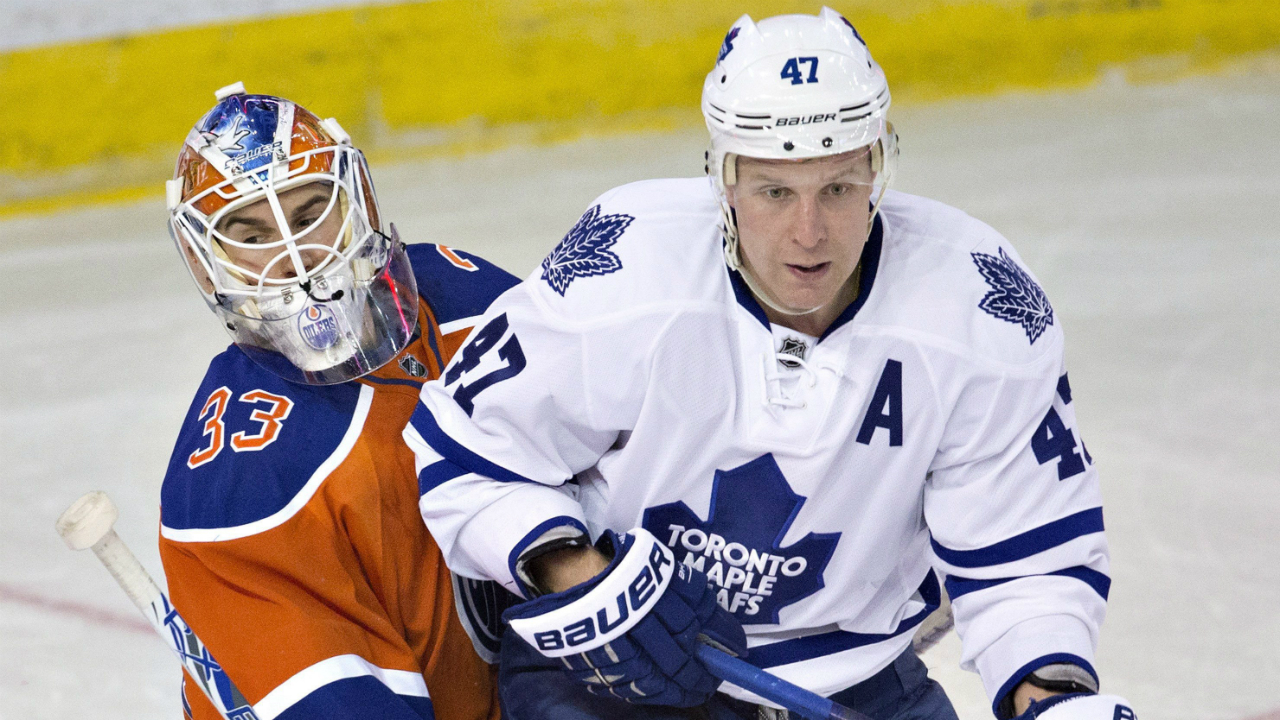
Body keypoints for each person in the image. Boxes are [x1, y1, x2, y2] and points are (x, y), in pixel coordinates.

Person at [406, 8, 1135, 720]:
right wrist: (582, 578)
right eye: (775, 192)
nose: (809, 233)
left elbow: (1026, 558)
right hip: (611, 675)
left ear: (880, 169)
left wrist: (1052, 694)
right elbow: (464, 459)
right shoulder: (624, 272)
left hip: (856, 679)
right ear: (724, 180)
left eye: (840, 189)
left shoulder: (978, 309)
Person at [158, 82, 520, 719]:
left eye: (307, 216)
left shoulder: (466, 298)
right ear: (204, 254)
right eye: (250, 232)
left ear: (357, 201)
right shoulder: (236, 486)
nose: (296, 259)